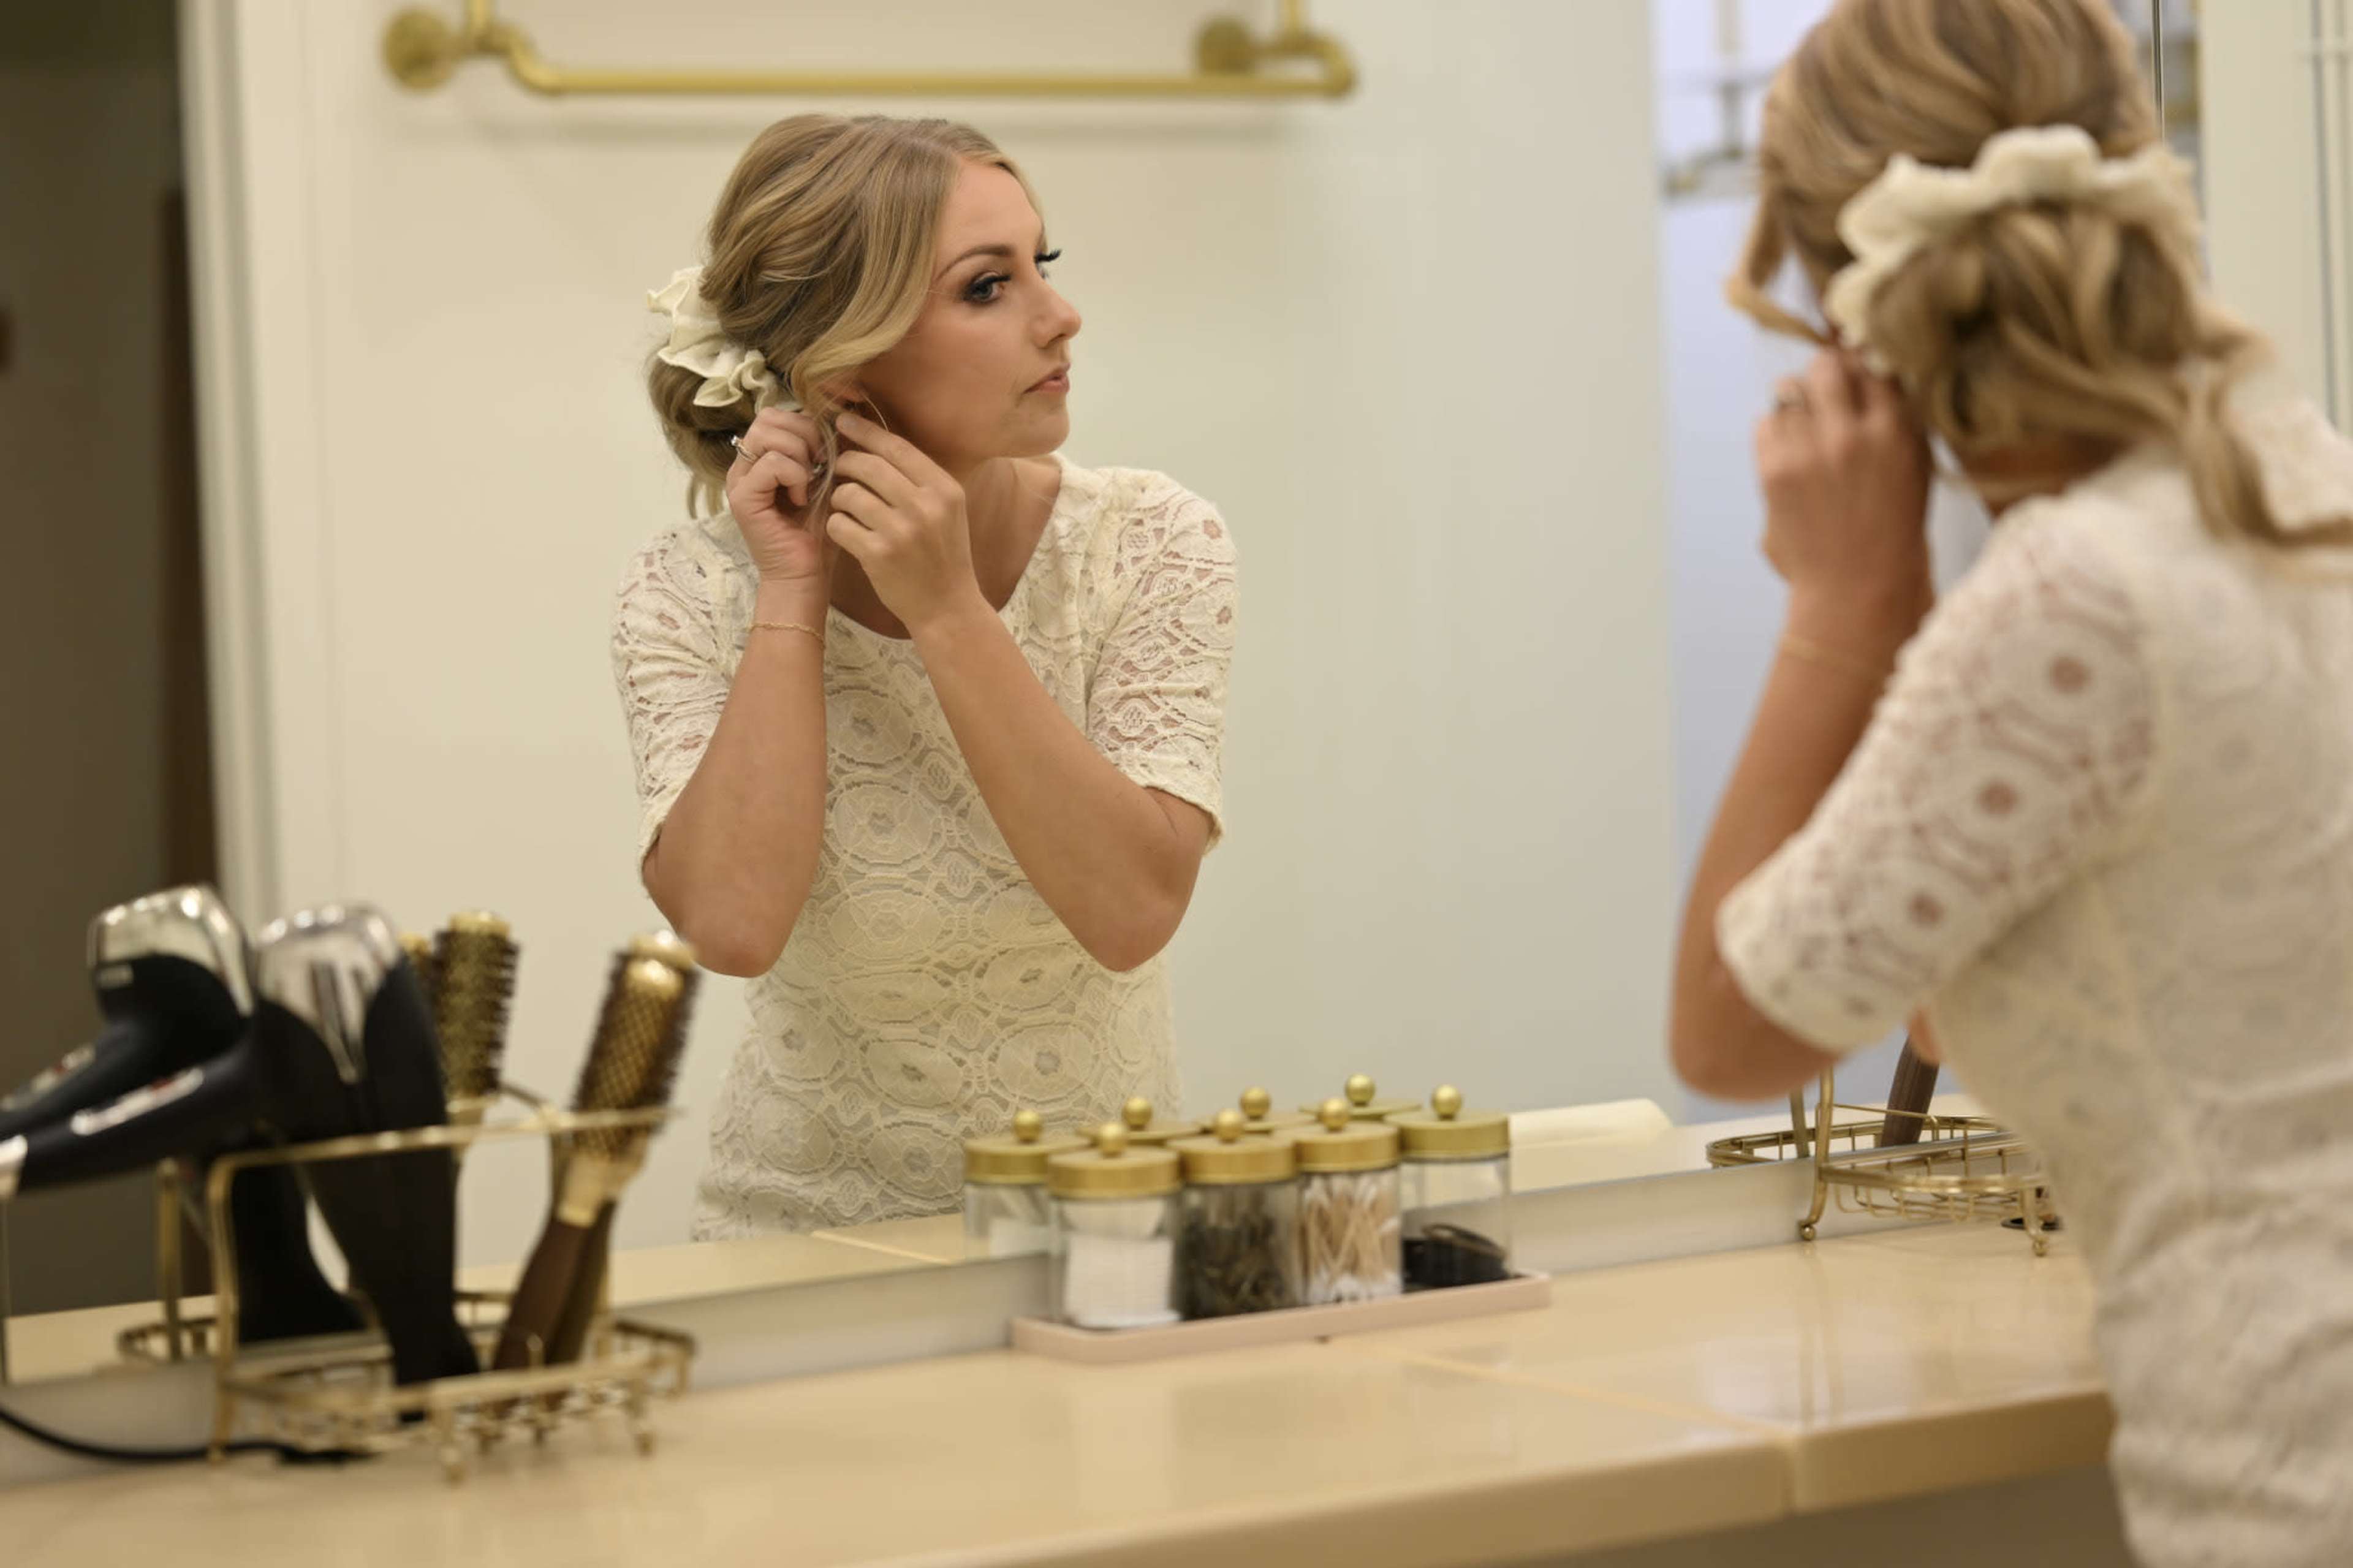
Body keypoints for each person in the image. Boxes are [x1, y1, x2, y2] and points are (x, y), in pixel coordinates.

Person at [1669, 2, 2353, 1561]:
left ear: (1845, 315)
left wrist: (1845, 607)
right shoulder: (2302, 480)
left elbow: (1727, 1025)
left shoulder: (2071, 597)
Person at [612, 115, 1237, 1237]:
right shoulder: (686, 594)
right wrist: (791, 598)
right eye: (987, 288)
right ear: (837, 373)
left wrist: (947, 611)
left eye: (1039, 265)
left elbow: (1133, 909)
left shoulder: (1151, 541)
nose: (1062, 315)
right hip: (793, 1243)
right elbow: (735, 929)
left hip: (1108, 1231)